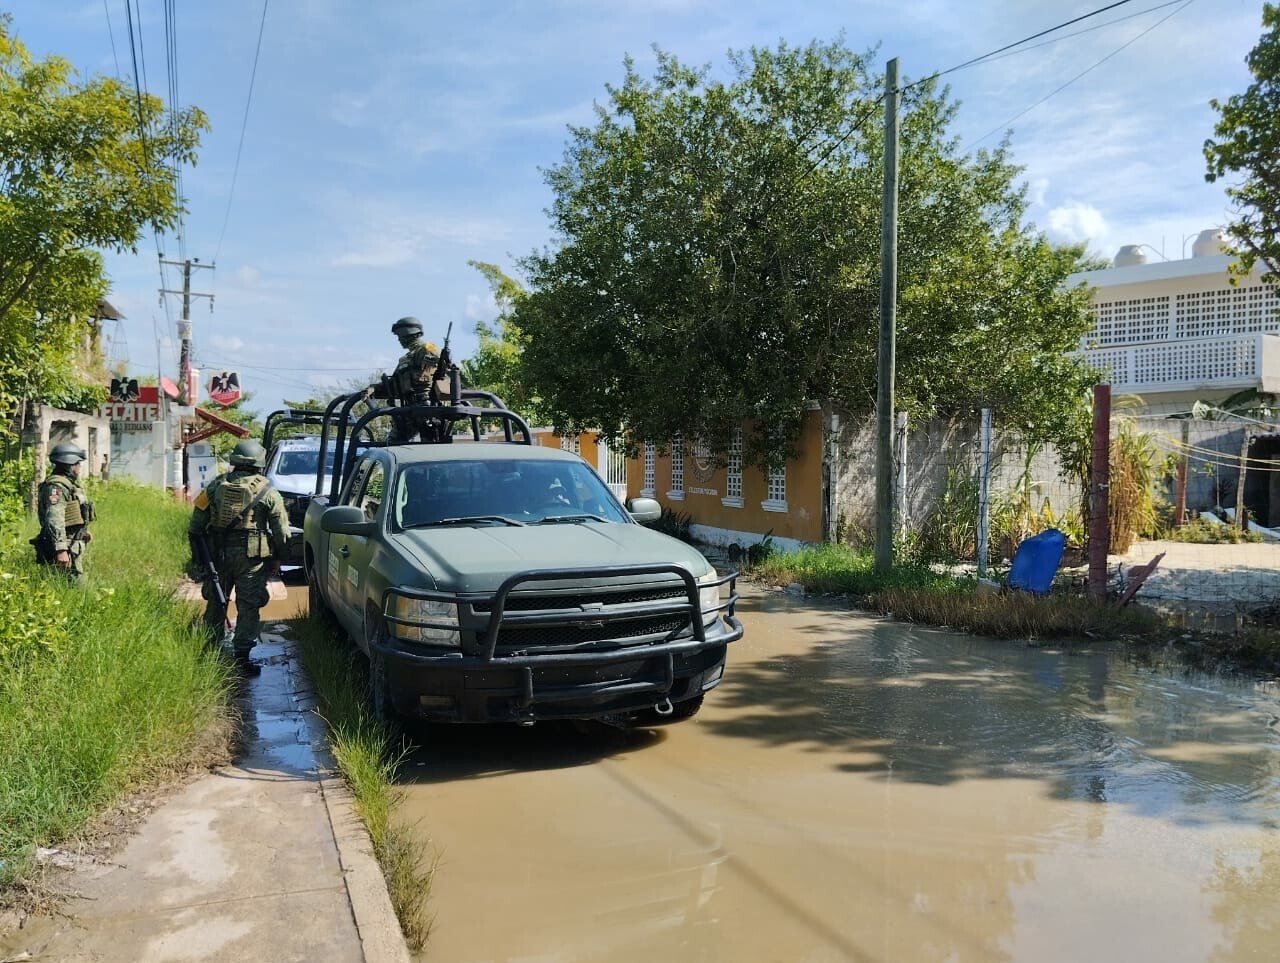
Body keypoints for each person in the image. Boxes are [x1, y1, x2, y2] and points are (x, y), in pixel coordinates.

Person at [188, 439, 290, 676]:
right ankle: (242, 657)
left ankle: (209, 653)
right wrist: (277, 558)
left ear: (234, 461)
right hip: (251, 558)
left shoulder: (214, 487)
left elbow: (195, 527)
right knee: (248, 605)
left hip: (218, 555)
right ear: (259, 464)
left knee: (216, 602)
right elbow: (282, 533)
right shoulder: (269, 492)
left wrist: (201, 560)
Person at [31, 442, 94, 581]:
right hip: (65, 546)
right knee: (73, 586)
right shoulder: (56, 486)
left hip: (71, 543)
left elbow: (70, 515)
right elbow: (55, 517)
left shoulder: (67, 485)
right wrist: (60, 549)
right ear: (70, 464)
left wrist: (82, 532)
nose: (79, 468)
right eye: (78, 464)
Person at [387, 316, 444, 443]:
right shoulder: (406, 358)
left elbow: (436, 361)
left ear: (407, 334)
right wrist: (373, 388)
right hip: (409, 408)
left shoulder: (427, 348)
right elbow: (393, 383)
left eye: (399, 336)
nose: (399, 340)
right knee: (392, 443)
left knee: (429, 445)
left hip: (425, 406)